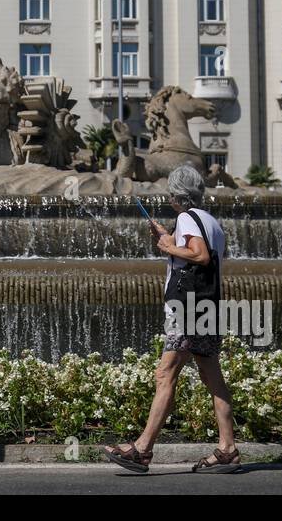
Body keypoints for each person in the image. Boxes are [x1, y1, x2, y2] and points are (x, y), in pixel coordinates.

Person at [103, 163, 241, 474]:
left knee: (165, 374)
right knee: (212, 377)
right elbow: (205, 253)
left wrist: (167, 245)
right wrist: (170, 238)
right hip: (208, 305)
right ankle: (228, 448)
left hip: (188, 308)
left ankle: (141, 450)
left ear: (176, 195)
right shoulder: (211, 221)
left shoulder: (185, 218)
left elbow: (200, 255)